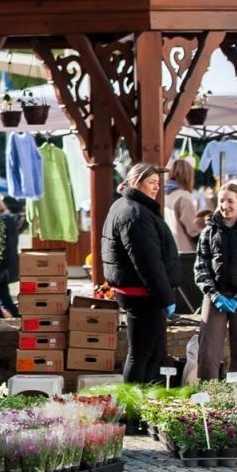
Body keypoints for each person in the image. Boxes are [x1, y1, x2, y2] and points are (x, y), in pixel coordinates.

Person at [101, 162, 181, 383]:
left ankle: (146, 407)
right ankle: (132, 411)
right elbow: (148, 262)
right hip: (142, 294)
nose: (156, 188)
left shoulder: (126, 206)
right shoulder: (134, 213)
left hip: (139, 292)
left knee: (154, 355)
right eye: (151, 183)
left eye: (158, 183)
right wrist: (166, 298)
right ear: (136, 182)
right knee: (141, 354)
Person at [194, 182, 237, 380]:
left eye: (230, 201)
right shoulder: (209, 231)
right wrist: (214, 295)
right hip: (216, 296)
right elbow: (201, 267)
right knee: (208, 351)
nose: (225, 206)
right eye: (221, 201)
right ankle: (208, 396)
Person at [0, 193, 21, 318]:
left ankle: (19, 322)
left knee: (4, 300)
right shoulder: (10, 221)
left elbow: (1, 248)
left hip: (0, 268)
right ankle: (0, 320)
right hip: (8, 266)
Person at [165, 158, 202, 252]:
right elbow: (193, 230)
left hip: (169, 250)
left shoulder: (163, 195)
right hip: (185, 253)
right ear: (188, 176)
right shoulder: (184, 197)